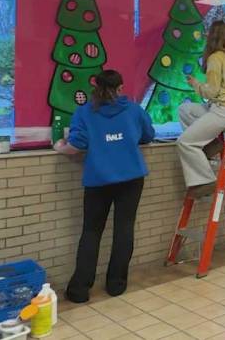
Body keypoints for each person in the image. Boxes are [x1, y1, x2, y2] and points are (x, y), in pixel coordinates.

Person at [53, 70, 155, 303]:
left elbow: (76, 146)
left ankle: (79, 290)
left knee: (91, 232)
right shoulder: (134, 110)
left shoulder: (85, 112)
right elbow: (148, 135)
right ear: (120, 88)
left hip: (98, 180)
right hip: (131, 178)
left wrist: (60, 146)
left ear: (95, 89)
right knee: (124, 229)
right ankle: (116, 285)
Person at [177, 20, 225, 198]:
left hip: (224, 110)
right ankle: (209, 144)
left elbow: (212, 91)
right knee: (186, 110)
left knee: (184, 142)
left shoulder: (215, 58)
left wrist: (196, 84)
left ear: (211, 36)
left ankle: (205, 180)